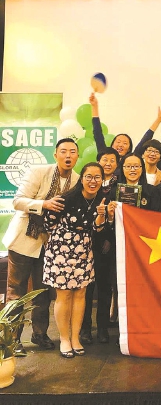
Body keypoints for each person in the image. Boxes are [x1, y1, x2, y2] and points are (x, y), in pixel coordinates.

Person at [2, 138, 80, 356]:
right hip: (24, 239)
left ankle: (39, 333)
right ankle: (11, 338)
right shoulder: (38, 172)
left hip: (51, 243)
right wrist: (43, 204)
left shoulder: (77, 180)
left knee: (43, 291)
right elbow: (18, 201)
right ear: (55, 155)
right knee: (16, 291)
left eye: (72, 151)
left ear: (77, 156)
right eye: (63, 151)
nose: (68, 155)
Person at [43, 162, 111, 358]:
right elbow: (48, 223)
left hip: (84, 250)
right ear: (81, 179)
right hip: (61, 251)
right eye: (89, 177)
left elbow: (98, 229)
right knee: (64, 295)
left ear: (102, 180)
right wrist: (62, 240)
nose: (93, 181)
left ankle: (75, 338)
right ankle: (64, 339)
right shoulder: (66, 198)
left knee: (81, 294)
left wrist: (101, 216)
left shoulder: (102, 200)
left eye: (97, 177)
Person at [80, 147, 120, 345]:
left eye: (112, 160)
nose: (108, 163)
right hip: (83, 249)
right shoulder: (81, 192)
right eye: (105, 159)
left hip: (105, 247)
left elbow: (114, 221)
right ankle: (85, 328)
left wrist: (108, 239)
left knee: (104, 288)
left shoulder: (116, 189)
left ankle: (102, 328)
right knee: (86, 290)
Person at [89, 92, 161, 171]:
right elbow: (98, 134)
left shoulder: (131, 160)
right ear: (112, 145)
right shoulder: (104, 154)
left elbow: (145, 139)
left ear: (129, 149)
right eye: (118, 142)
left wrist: (158, 120)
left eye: (125, 143)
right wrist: (95, 107)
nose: (121, 145)